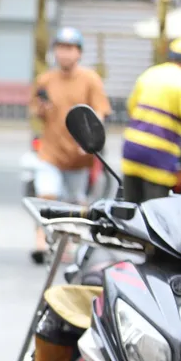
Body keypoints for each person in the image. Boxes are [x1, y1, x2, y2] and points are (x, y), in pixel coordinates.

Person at [29, 26, 111, 263]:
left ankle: (70, 245)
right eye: (61, 48)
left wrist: (90, 139)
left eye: (70, 48)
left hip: (79, 158)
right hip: (50, 153)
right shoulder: (45, 80)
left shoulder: (90, 80)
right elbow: (36, 110)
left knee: (75, 204)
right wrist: (42, 108)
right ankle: (41, 242)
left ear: (79, 52)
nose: (65, 53)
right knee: (46, 196)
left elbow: (100, 112)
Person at [122, 38, 181, 203]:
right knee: (155, 210)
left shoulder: (149, 74)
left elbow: (131, 106)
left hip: (132, 151)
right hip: (158, 157)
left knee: (130, 209)